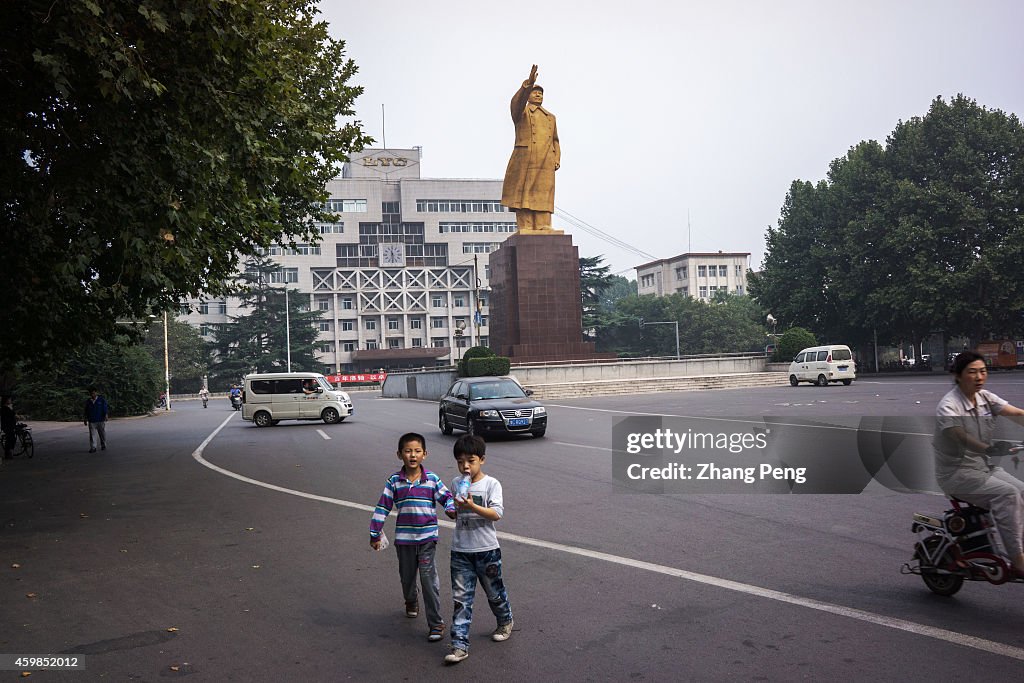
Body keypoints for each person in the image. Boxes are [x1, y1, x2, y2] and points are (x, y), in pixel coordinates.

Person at [933, 350, 1024, 577]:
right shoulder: (949, 406)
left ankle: (1017, 545)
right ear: (958, 375)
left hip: (983, 468)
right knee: (1008, 494)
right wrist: (990, 449)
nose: (979, 377)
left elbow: (1016, 413)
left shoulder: (985, 398)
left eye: (983, 371)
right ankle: (1018, 560)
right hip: (956, 474)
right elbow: (960, 437)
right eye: (972, 372)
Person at [369, 432, 456, 642]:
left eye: (417, 451)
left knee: (429, 581)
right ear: (399, 454)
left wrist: (452, 509)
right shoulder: (394, 481)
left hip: (427, 539)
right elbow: (383, 507)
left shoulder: (432, 480)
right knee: (407, 578)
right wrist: (375, 533)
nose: (413, 455)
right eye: (408, 451)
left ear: (425, 454)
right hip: (405, 541)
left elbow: (446, 497)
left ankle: (436, 623)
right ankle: (411, 600)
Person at [444, 434, 514, 665]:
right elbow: (455, 514)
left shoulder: (491, 484)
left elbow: (497, 514)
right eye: (460, 461)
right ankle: (459, 645)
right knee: (461, 599)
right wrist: (452, 509)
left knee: (494, 593)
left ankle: (505, 620)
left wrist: (472, 505)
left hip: (487, 550)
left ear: (481, 460)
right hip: (461, 551)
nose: (465, 466)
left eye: (470, 460)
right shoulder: (455, 483)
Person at [501, 64, 560, 233]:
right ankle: (526, 226)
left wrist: (557, 158)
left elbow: (556, 140)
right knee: (524, 193)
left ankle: (543, 224)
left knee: (543, 192)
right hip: (526, 157)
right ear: (528, 96)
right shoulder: (522, 113)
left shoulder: (550, 117)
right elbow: (516, 103)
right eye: (535, 92)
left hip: (545, 161)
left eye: (540, 92)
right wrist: (527, 84)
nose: (538, 94)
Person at [84, 387, 110, 453]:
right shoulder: (88, 401)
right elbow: (86, 411)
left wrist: (106, 415)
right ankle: (93, 447)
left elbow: (105, 408)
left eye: (93, 393)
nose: (92, 395)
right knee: (92, 435)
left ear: (96, 392)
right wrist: (85, 418)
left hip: (100, 420)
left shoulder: (101, 400)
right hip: (92, 420)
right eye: (91, 394)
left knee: (102, 434)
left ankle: (103, 444)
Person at [2, 395, 16, 460]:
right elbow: (11, 415)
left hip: (10, 425)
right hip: (7, 426)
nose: (10, 400)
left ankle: (10, 452)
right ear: (6, 400)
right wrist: (11, 409)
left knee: (12, 438)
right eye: (9, 399)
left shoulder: (7, 407)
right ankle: (8, 453)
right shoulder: (4, 408)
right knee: (10, 439)